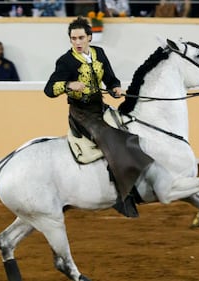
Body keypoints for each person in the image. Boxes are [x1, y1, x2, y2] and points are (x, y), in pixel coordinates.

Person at [43, 17, 154, 217]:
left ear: (90, 38)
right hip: (82, 114)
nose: (77, 42)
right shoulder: (65, 61)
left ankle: (136, 180)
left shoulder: (99, 53)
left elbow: (110, 78)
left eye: (80, 38)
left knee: (130, 129)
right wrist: (68, 85)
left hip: (100, 107)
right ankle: (122, 196)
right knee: (112, 140)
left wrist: (115, 88)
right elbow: (49, 90)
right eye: (73, 38)